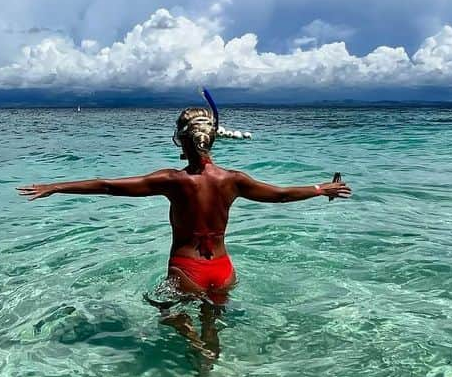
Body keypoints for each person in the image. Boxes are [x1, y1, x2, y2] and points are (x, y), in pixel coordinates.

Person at [19, 91, 351, 355]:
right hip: (222, 270)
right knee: (213, 325)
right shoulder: (233, 180)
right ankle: (209, 371)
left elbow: (108, 185)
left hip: (186, 270)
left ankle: (190, 338)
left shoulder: (172, 180)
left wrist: (56, 186)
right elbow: (280, 195)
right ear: (212, 139)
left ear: (181, 140)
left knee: (161, 306)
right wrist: (322, 189)